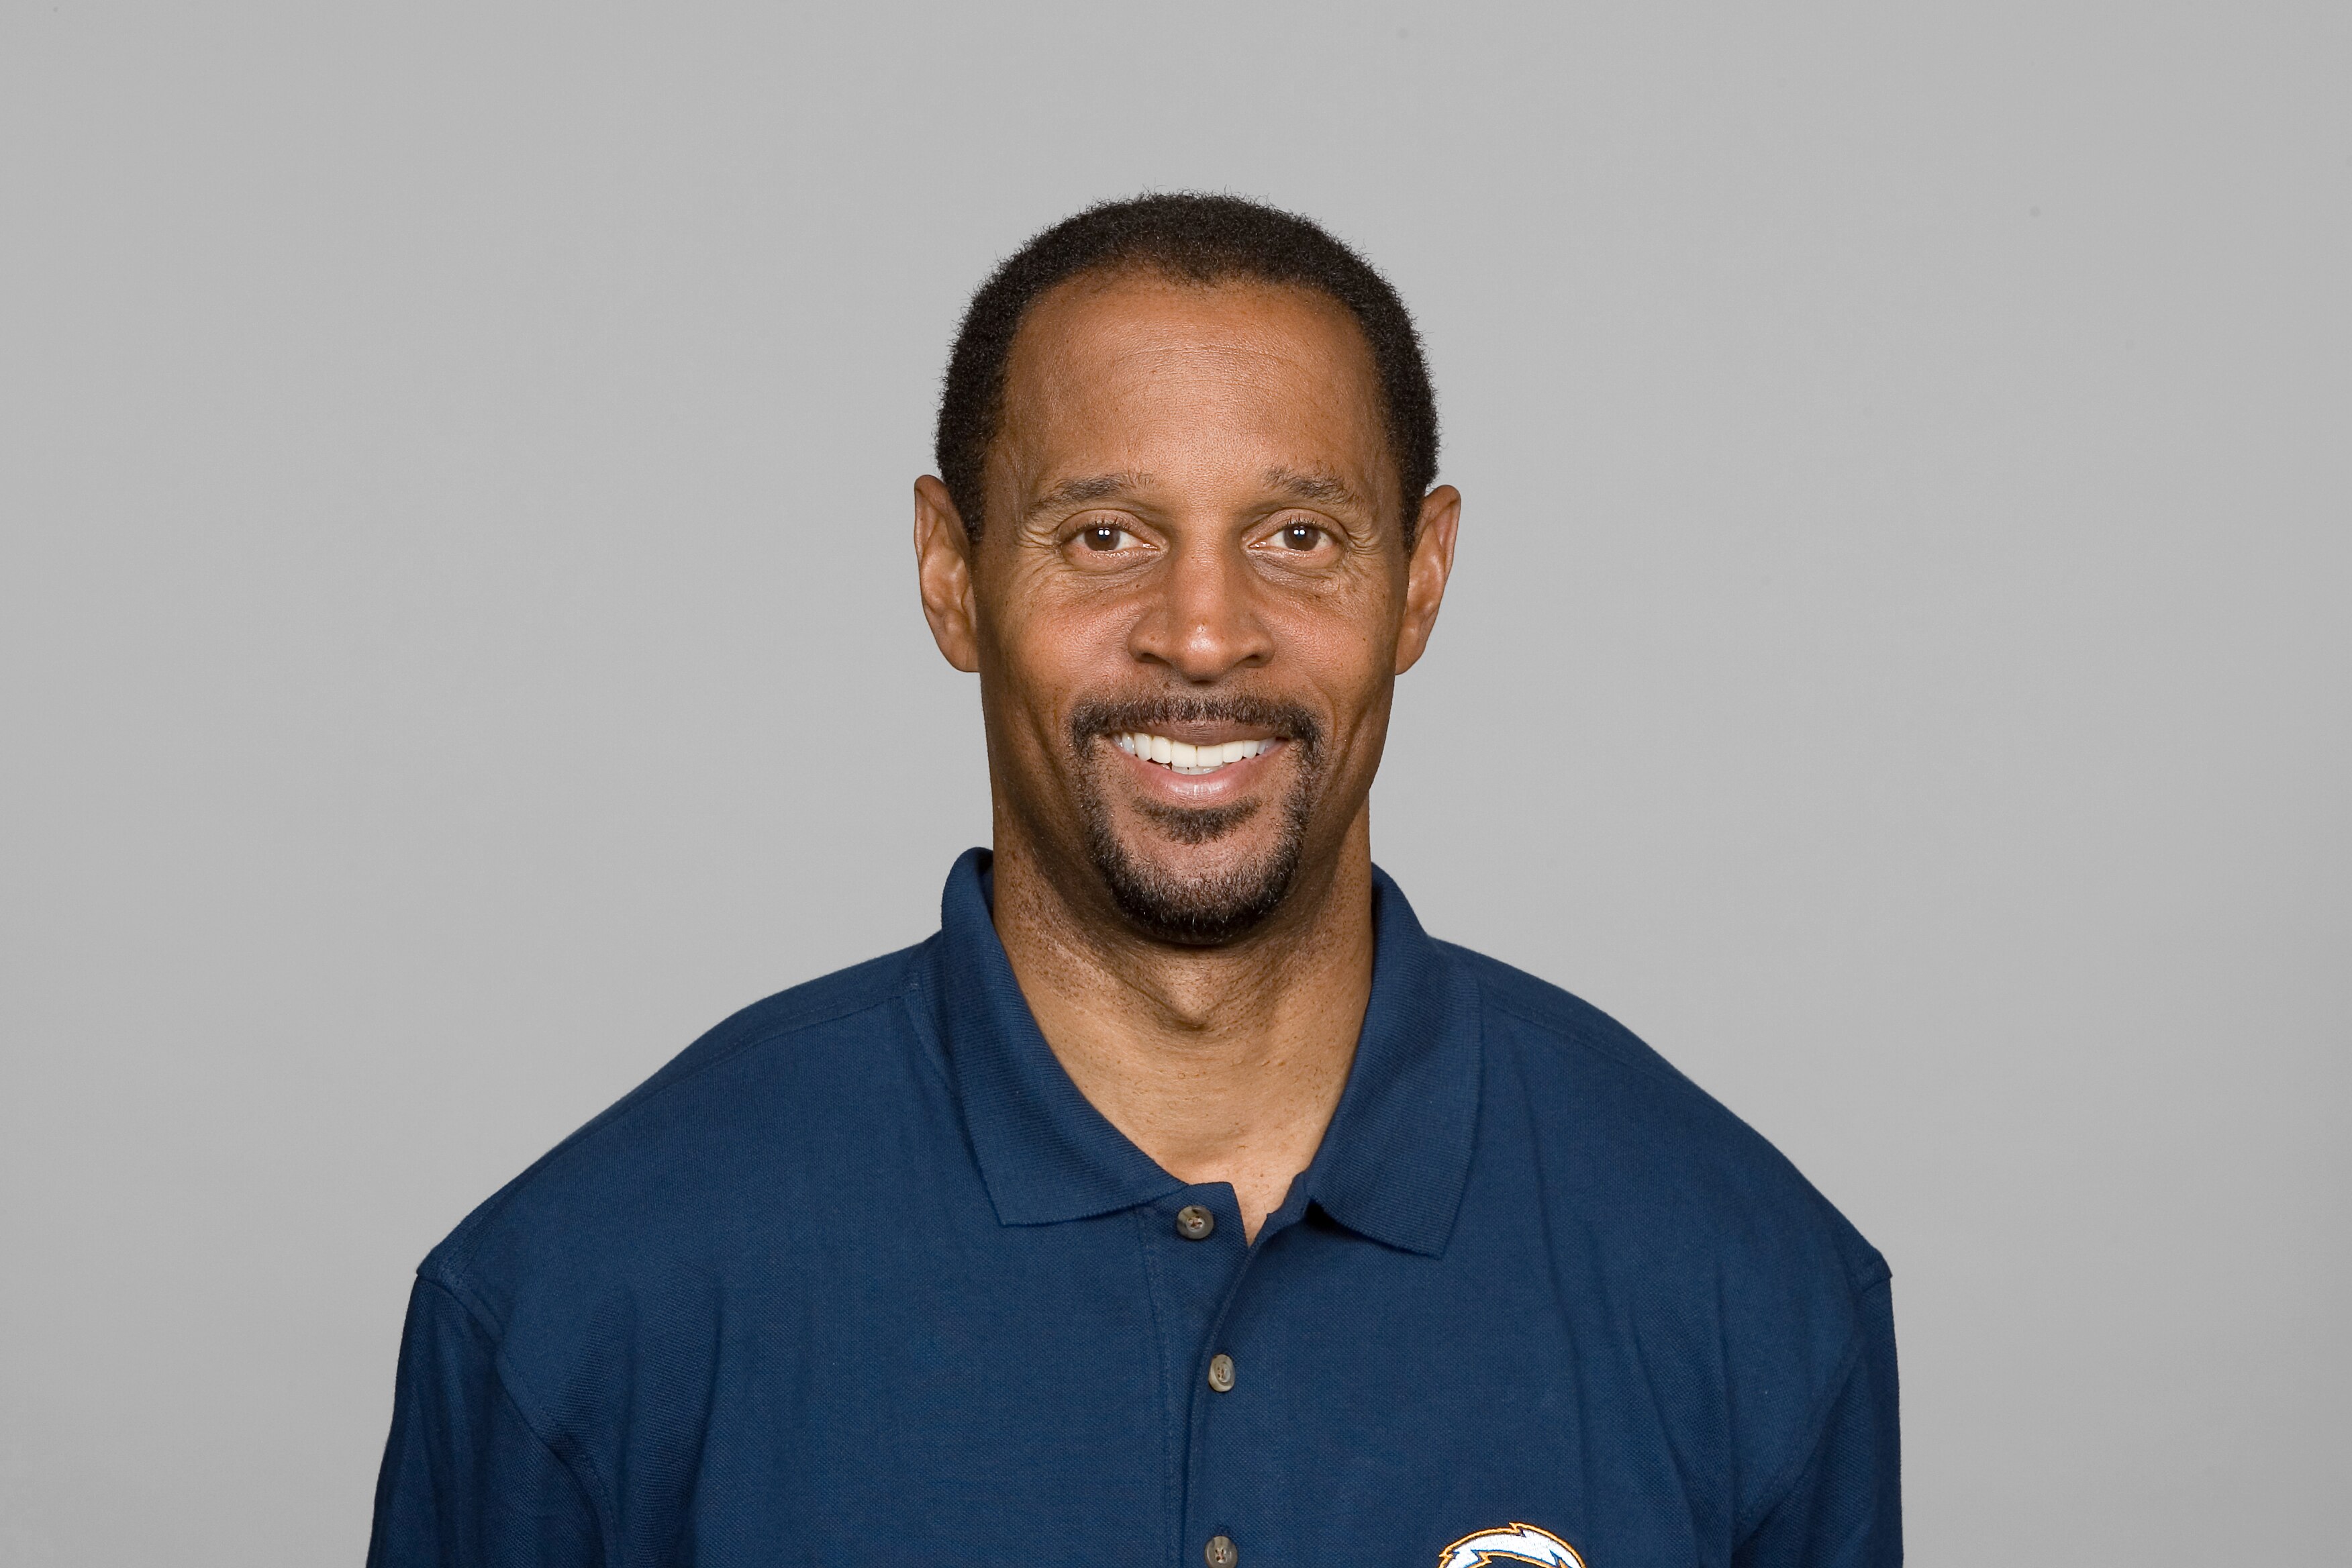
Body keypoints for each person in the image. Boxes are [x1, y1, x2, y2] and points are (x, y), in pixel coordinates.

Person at [367, 194, 1900, 1568]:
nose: (1205, 632)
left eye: (1298, 535)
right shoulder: (581, 1299)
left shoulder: (1749, 1281)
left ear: (1420, 580)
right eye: (1105, 535)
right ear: (952, 575)